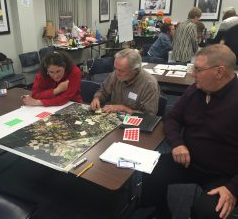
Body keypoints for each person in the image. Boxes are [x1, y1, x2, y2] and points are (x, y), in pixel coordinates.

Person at [140, 44, 238, 219]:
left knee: (207, 212)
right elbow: (172, 118)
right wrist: (177, 144)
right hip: (188, 160)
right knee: (151, 169)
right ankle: (161, 212)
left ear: (219, 71)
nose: (193, 74)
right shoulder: (196, 89)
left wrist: (233, 188)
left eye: (198, 69)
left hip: (224, 175)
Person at [90, 48, 160, 115]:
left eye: (121, 70)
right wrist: (97, 98)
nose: (116, 73)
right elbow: (103, 91)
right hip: (114, 119)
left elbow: (149, 116)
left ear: (135, 70)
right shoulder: (115, 74)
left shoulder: (149, 84)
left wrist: (124, 109)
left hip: (135, 124)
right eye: (115, 68)